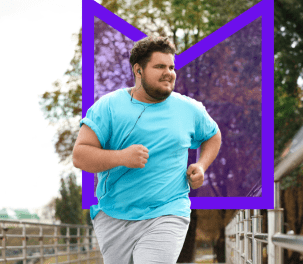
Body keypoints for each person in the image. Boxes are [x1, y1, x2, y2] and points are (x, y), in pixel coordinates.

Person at [73, 36, 222, 264]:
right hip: (114, 214)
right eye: (160, 66)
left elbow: (213, 135)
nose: (169, 72)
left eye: (171, 67)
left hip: (168, 210)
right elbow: (80, 156)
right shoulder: (108, 107)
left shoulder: (189, 109)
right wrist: (122, 157)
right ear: (138, 70)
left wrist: (201, 166)